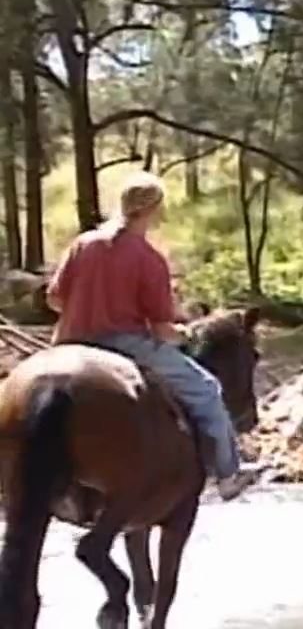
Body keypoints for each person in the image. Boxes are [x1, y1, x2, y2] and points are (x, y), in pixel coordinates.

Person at [46, 171, 258, 501]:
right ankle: (228, 474)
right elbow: (161, 329)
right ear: (154, 210)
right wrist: (183, 335)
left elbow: (54, 299)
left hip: (68, 341)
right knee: (206, 390)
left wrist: (87, 305)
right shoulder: (149, 258)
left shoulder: (83, 244)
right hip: (124, 344)